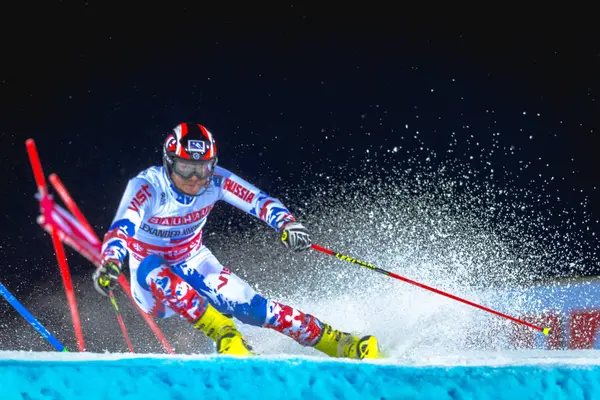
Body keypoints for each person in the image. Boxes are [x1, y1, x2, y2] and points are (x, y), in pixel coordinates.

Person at [93, 122, 380, 359]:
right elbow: (122, 228)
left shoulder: (216, 181)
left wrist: (286, 223)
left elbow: (258, 200)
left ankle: (341, 343)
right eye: (185, 168)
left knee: (253, 307)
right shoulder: (148, 186)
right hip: (152, 288)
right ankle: (225, 335)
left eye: (202, 169)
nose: (194, 178)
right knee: (153, 266)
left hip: (193, 262)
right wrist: (111, 262)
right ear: (169, 164)